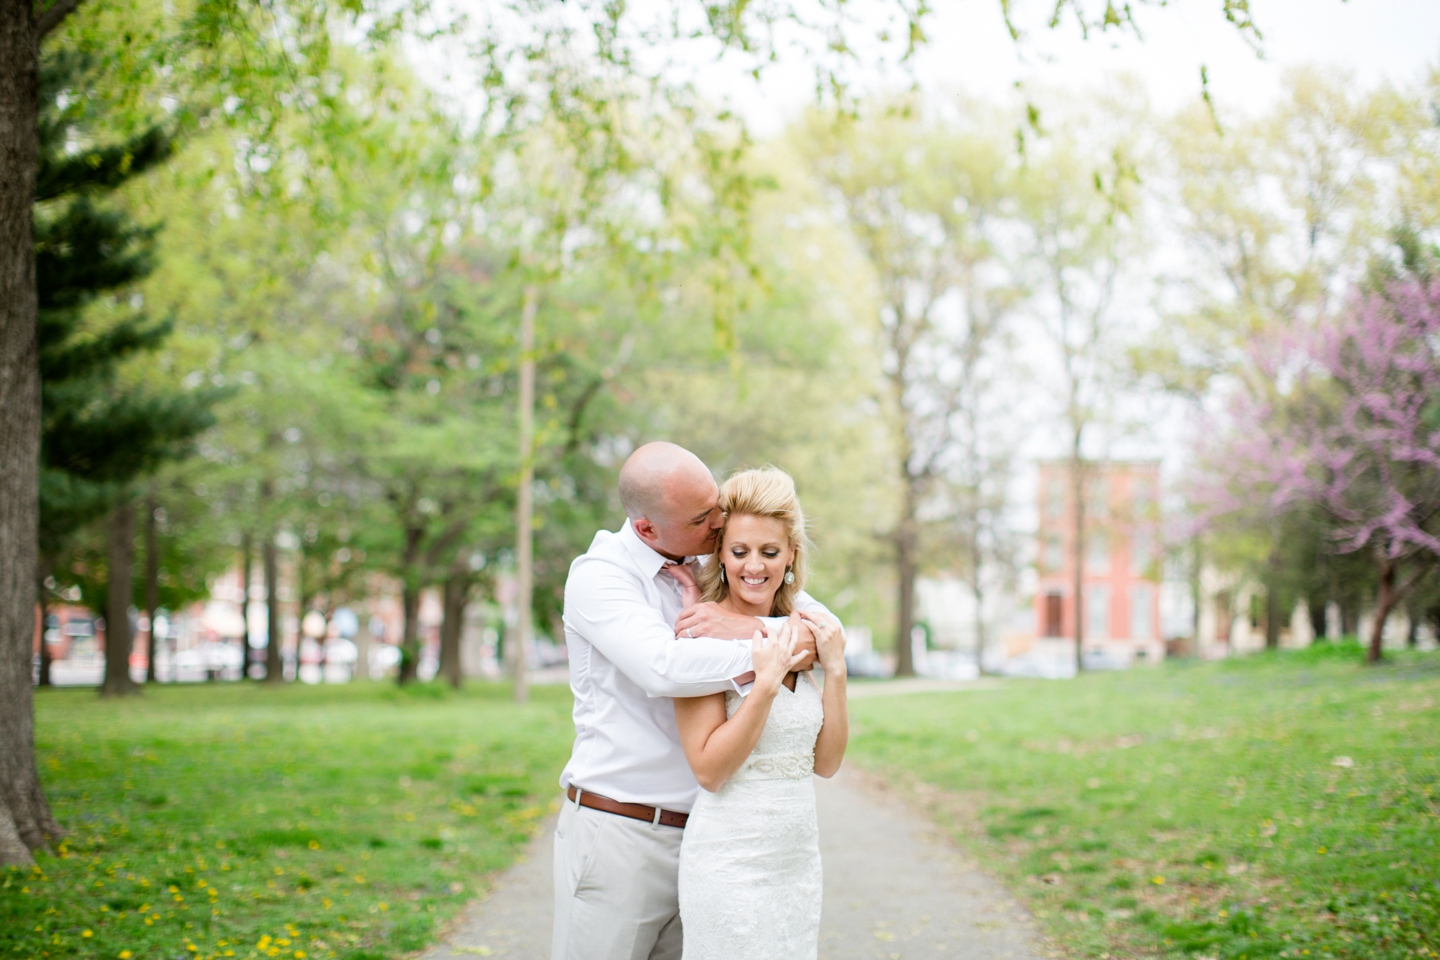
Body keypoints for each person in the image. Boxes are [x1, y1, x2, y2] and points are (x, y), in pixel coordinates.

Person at [554, 443, 833, 960]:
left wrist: (743, 626)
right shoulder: (600, 577)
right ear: (647, 529)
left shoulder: (712, 556)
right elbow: (666, 669)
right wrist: (773, 649)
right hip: (623, 833)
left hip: (713, 838)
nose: (720, 523)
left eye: (716, 506)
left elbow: (826, 633)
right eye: (705, 516)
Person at [673, 466, 848, 960]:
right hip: (729, 863)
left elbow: (827, 764)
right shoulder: (700, 634)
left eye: (770, 552)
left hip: (796, 863)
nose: (755, 566)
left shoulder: (807, 629)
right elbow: (709, 771)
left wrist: (836, 672)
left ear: (791, 554)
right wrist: (765, 686)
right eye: (740, 551)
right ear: (720, 554)